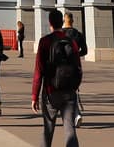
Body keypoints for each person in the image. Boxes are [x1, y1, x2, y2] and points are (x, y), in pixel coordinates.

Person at [32, 8, 82, 147]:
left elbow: (38, 71)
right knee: (70, 130)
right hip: (69, 92)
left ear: (50, 23)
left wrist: (34, 96)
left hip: (50, 92)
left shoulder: (45, 42)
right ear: (62, 22)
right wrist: (74, 87)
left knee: (48, 130)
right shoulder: (71, 42)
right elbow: (78, 68)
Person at [62, 12, 89, 127]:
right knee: (72, 91)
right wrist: (76, 54)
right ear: (72, 21)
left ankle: (74, 115)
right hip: (75, 67)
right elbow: (85, 51)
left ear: (64, 20)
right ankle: (76, 115)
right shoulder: (78, 34)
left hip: (61, 68)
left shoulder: (59, 34)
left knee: (63, 93)